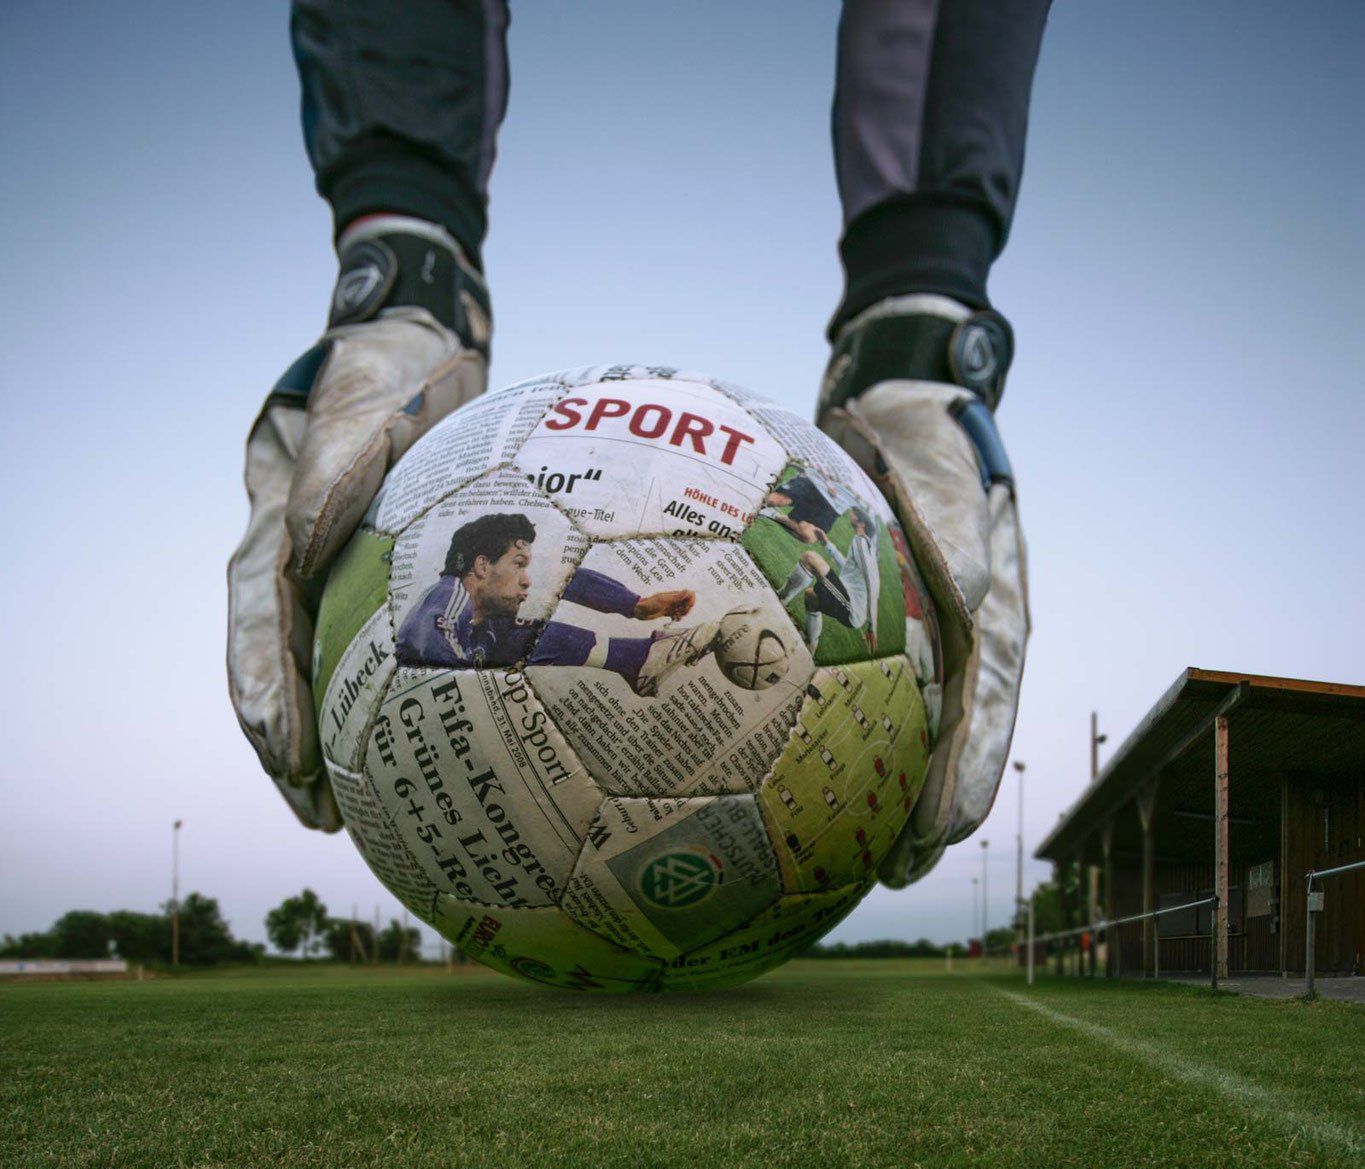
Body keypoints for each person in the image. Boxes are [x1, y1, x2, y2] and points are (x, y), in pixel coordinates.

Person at [228, 0, 1050, 885]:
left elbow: (556, 591)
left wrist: (920, 331)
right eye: (515, 562)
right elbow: (543, 613)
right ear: (474, 568)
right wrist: (398, 272)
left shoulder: (489, 595)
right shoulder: (439, 621)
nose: (525, 573)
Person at [395, 510, 706, 692]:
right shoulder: (448, 600)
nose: (526, 579)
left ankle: (635, 658)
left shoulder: (484, 613)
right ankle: (634, 657)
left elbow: (558, 581)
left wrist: (635, 605)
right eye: (518, 564)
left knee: (521, 634)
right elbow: (440, 674)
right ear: (482, 566)